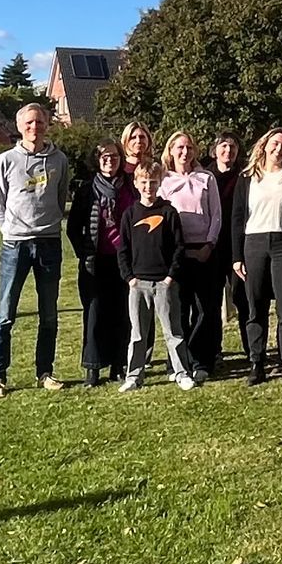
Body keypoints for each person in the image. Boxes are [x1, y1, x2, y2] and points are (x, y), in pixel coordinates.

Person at [0, 103, 71, 398]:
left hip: (49, 244)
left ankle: (44, 372)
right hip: (16, 245)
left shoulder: (59, 160)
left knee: (49, 314)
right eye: (30, 123)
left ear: (47, 124)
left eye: (40, 122)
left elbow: (61, 197)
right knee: (5, 314)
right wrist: (9, 231)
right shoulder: (6, 160)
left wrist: (49, 224)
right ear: (20, 126)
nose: (35, 127)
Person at [231, 127, 282, 385]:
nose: (279, 149)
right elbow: (237, 219)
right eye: (275, 144)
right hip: (254, 244)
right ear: (264, 145)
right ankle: (257, 363)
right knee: (256, 305)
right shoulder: (247, 178)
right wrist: (237, 256)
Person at [118, 159, 197, 392]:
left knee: (173, 332)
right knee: (138, 334)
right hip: (138, 284)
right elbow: (123, 249)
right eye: (144, 182)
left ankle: (182, 372)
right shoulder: (130, 214)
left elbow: (179, 247)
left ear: (159, 183)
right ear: (136, 183)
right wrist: (130, 278)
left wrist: (170, 277)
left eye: (153, 182)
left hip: (164, 283)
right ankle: (134, 376)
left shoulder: (168, 212)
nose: (148, 187)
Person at [66, 138, 130, 387]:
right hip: (94, 261)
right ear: (97, 159)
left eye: (114, 156)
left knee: (121, 313)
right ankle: (92, 367)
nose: (110, 161)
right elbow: (73, 227)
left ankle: (118, 364)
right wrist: (83, 253)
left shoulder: (130, 187)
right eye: (105, 156)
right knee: (94, 314)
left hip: (123, 261)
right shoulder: (87, 189)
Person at [159, 130, 223, 381]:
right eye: (180, 147)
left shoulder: (206, 178)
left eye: (189, 147)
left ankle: (201, 360)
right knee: (178, 309)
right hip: (176, 252)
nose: (185, 152)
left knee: (204, 309)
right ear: (171, 151)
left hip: (205, 250)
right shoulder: (164, 180)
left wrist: (210, 244)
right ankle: (178, 361)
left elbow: (216, 214)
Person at [207, 134, 246, 375]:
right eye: (223, 146)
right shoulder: (205, 175)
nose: (228, 151)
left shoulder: (245, 175)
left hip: (238, 247)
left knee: (243, 299)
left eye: (232, 146)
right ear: (215, 150)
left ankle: (252, 350)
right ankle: (214, 351)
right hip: (212, 247)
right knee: (212, 303)